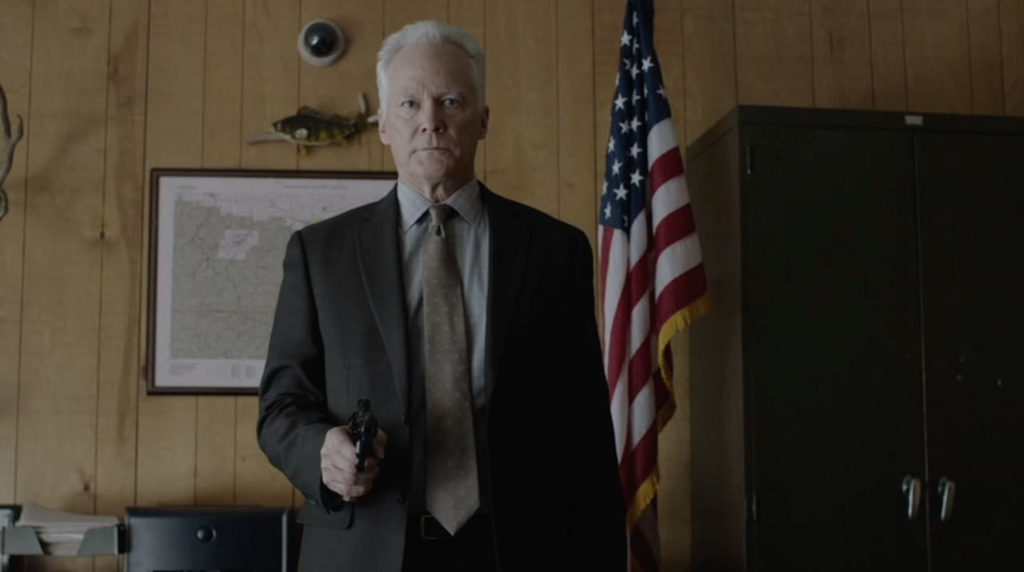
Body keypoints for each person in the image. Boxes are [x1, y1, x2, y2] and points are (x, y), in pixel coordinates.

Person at [258, 20, 625, 571]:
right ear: (384, 124)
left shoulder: (555, 250)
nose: (429, 121)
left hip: (521, 548)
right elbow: (281, 405)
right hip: (366, 550)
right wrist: (322, 453)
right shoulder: (320, 254)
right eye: (408, 104)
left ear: (482, 120)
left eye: (450, 100)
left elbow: (586, 426)